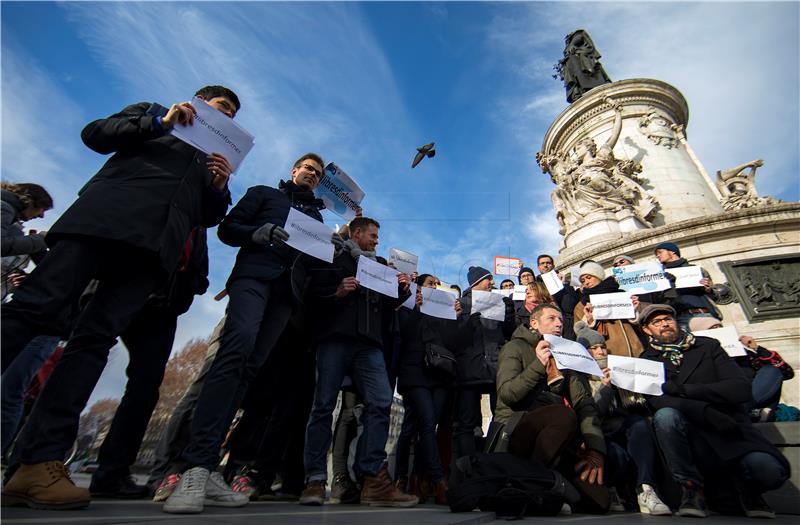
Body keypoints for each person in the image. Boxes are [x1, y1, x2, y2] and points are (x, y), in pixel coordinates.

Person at [1, 86, 238, 510]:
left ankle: (38, 462)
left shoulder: (210, 160)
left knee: (92, 345)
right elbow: (96, 134)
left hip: (150, 256)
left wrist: (219, 186)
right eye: (221, 108)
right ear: (199, 102)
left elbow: (206, 217)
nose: (226, 117)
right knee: (31, 314)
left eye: (232, 114)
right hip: (100, 224)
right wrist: (158, 124)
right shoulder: (155, 113)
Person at [164, 153, 333, 514]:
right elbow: (228, 229)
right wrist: (258, 233)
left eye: (317, 174)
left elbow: (317, 268)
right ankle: (194, 465)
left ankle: (209, 469)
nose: (312, 176)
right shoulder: (263, 194)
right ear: (294, 171)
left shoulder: (317, 219)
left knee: (251, 369)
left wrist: (335, 253)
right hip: (254, 278)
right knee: (235, 350)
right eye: (308, 169)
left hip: (288, 296)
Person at [300, 217, 417, 507]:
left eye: (378, 236)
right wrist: (336, 292)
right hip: (335, 339)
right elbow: (313, 292)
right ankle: (315, 479)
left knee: (380, 402)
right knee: (323, 406)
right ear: (356, 233)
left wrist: (401, 291)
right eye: (373, 235)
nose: (377, 240)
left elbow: (386, 306)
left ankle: (373, 478)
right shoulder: (333, 255)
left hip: (369, 345)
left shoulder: (380, 267)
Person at [638, 304, 790, 518]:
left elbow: (739, 388)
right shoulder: (647, 360)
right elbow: (659, 401)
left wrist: (685, 390)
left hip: (729, 427)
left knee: (769, 471)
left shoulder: (708, 346)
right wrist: (705, 409)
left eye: (668, 318)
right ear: (646, 329)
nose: (664, 324)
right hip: (692, 433)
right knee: (665, 416)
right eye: (656, 322)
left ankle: (749, 490)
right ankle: (690, 487)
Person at [494, 304, 610, 513]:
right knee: (563, 414)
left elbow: (584, 403)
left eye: (561, 320)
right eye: (551, 319)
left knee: (600, 502)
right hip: (516, 429)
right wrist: (539, 365)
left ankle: (539, 486)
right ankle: (530, 486)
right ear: (534, 324)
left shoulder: (567, 353)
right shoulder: (515, 348)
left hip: (556, 439)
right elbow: (508, 395)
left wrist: (595, 449)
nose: (558, 324)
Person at [577, 322, 671, 515]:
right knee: (616, 455)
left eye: (603, 347)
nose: (601, 352)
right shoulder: (580, 378)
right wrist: (605, 389)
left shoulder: (617, 368)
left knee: (639, 425)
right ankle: (611, 489)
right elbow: (592, 413)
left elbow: (636, 405)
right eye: (594, 348)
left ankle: (645, 488)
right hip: (599, 432)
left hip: (623, 426)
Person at [395, 273, 461, 505]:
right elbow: (402, 333)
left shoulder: (444, 311)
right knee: (425, 421)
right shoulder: (407, 304)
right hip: (415, 372)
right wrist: (416, 308)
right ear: (419, 288)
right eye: (430, 284)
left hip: (439, 374)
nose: (435, 287)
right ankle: (437, 479)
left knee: (426, 425)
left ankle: (417, 477)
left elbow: (453, 343)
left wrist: (456, 317)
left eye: (436, 284)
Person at [452, 266, 515, 460]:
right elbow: (455, 338)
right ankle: (468, 465)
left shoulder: (499, 302)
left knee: (501, 416)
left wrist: (509, 314)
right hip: (469, 368)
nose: (492, 283)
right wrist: (463, 319)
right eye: (488, 279)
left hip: (495, 367)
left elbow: (508, 333)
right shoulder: (461, 303)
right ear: (476, 283)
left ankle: (492, 459)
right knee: (467, 422)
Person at [574, 262, 645, 357]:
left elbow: (642, 327)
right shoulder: (582, 304)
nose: (586, 282)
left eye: (589, 277)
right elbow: (580, 333)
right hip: (609, 353)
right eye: (583, 281)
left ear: (598, 276)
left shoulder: (622, 295)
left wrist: (634, 311)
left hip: (636, 350)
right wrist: (589, 321)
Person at [1, 182, 53, 300]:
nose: (42, 216)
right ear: (30, 200)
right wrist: (41, 240)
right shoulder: (5, 208)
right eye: (43, 209)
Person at [654, 242, 720, 331]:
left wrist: (708, 289)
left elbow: (716, 296)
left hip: (703, 314)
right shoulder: (660, 275)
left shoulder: (696, 270)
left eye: (660, 252)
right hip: (678, 318)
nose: (658, 256)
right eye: (657, 254)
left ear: (672, 252)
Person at [536, 254, 580, 340]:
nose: (545, 265)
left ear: (553, 266)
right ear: (538, 267)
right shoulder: (536, 286)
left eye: (548, 263)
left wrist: (563, 285)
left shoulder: (565, 283)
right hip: (545, 327)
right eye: (542, 263)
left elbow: (569, 307)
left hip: (566, 327)